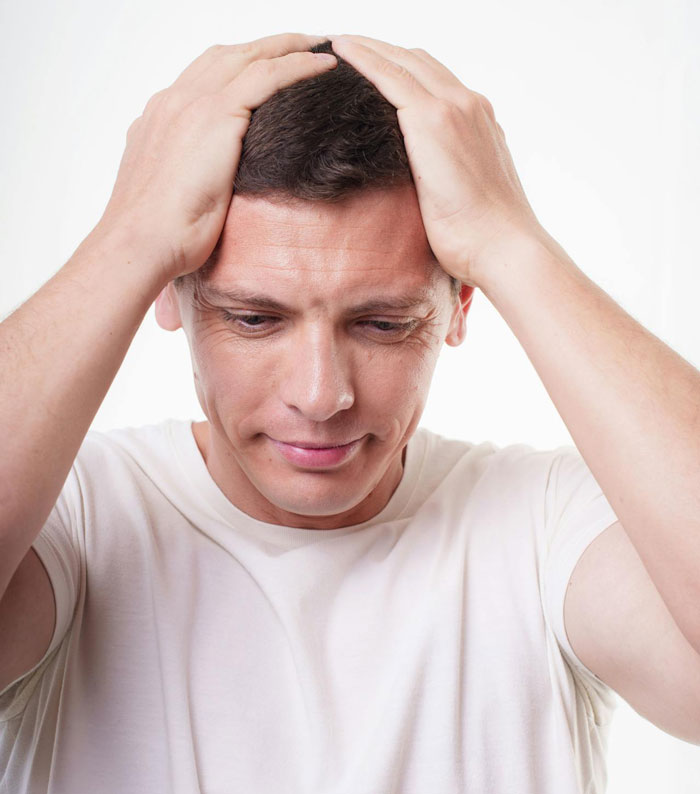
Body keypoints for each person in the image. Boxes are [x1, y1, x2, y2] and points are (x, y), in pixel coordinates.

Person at [0, 30, 698, 794]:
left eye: (382, 324)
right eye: (255, 319)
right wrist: (128, 241)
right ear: (169, 292)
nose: (320, 394)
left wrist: (511, 243)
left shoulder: (546, 530)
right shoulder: (75, 518)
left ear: (460, 305)